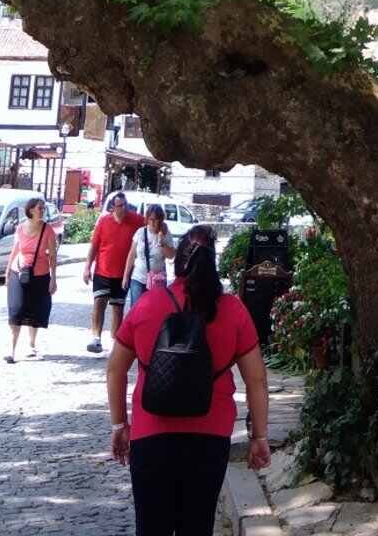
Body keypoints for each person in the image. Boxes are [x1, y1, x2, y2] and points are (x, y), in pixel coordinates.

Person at [107, 239, 271, 536]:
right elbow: (256, 380)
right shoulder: (233, 310)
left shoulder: (148, 303)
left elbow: (115, 369)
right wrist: (259, 436)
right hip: (210, 438)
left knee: (151, 528)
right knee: (197, 526)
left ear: (177, 262)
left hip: (151, 435)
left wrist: (120, 424)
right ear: (213, 263)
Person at [84, 191, 145, 352]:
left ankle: (114, 342)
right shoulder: (104, 222)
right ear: (112, 207)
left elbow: (152, 224)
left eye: (125, 205)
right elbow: (94, 246)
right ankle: (96, 338)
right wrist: (87, 266)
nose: (123, 209)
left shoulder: (137, 220)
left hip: (123, 274)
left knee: (117, 308)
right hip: (102, 271)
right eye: (119, 206)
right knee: (99, 303)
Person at [5, 196, 57, 362]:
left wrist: (53, 278)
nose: (42, 211)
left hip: (40, 275)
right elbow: (15, 250)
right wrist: (7, 272)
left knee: (35, 310)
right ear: (31, 210)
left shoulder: (48, 230)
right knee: (16, 309)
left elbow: (53, 255)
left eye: (43, 208)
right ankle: (11, 350)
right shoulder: (20, 228)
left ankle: (31, 345)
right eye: (40, 208)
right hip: (18, 272)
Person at [122, 203, 175, 310]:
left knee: (155, 310)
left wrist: (162, 242)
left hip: (157, 280)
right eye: (150, 219)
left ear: (161, 220)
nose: (153, 222)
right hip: (138, 278)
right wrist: (125, 276)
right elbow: (132, 254)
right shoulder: (140, 232)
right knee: (136, 310)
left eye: (156, 219)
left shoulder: (166, 234)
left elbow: (171, 256)